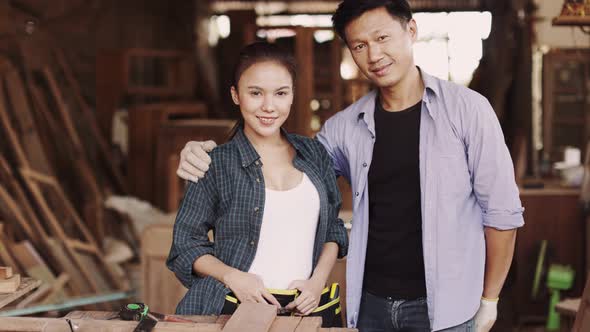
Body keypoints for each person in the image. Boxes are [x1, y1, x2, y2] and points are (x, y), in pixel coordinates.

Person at [175, 1, 524, 331]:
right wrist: (202, 150)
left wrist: (489, 298)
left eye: (382, 38)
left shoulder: (468, 111)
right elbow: (288, 163)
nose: (373, 54)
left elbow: (503, 214)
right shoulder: (344, 128)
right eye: (359, 46)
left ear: (412, 30)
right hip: (370, 304)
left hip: (446, 306)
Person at [166, 42, 348, 327]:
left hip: (306, 312)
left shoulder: (313, 153)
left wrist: (317, 282)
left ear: (292, 96)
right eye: (255, 93)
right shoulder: (215, 163)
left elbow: (333, 229)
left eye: (280, 93)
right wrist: (233, 277)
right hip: (233, 308)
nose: (268, 106)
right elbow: (185, 245)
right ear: (236, 95)